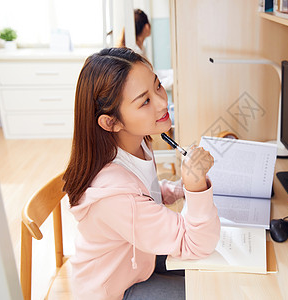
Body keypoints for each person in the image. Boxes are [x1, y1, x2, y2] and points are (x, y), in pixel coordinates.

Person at [63, 47, 220, 300]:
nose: (162, 101)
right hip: (117, 289)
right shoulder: (114, 195)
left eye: (158, 86)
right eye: (145, 101)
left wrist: (178, 188)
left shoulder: (138, 143)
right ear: (111, 122)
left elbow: (146, 193)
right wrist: (195, 187)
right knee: (210, 292)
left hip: (139, 260)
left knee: (220, 274)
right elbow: (198, 243)